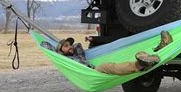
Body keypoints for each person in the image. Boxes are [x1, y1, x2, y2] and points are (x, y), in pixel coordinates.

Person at [40, 31, 173, 75]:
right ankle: (139, 65)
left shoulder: (78, 52)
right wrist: (59, 51)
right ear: (60, 51)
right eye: (66, 46)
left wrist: (93, 39)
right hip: (89, 74)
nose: (70, 47)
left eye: (69, 45)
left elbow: (77, 45)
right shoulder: (64, 59)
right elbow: (44, 44)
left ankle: (155, 52)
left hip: (91, 68)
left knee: (129, 49)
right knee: (106, 66)